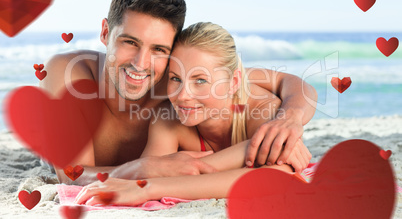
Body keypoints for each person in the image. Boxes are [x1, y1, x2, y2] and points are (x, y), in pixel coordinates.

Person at [40, 0, 317, 185]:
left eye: (159, 49)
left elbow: (288, 82)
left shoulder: (177, 82)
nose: (141, 63)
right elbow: (72, 176)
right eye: (130, 42)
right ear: (105, 32)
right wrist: (143, 169)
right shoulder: (69, 75)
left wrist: (288, 121)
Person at [74, 22, 312, 205]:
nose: (183, 95)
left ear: (233, 82)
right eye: (175, 78)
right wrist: (248, 150)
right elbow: (148, 170)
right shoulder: (168, 120)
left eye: (200, 81)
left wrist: (152, 188)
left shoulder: (262, 108)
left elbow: (275, 178)